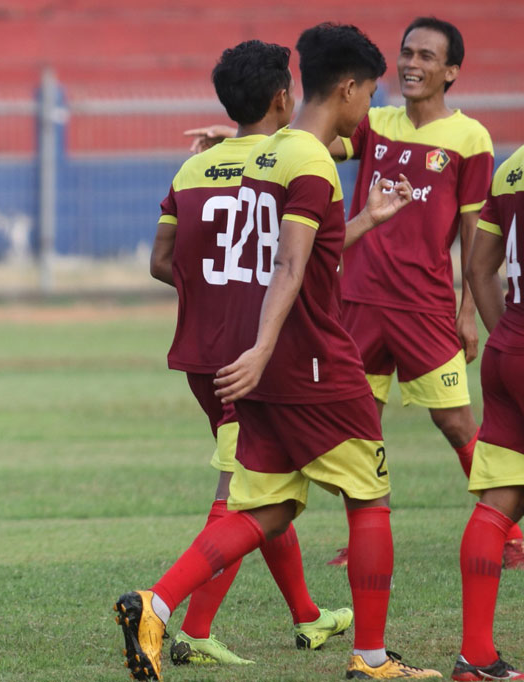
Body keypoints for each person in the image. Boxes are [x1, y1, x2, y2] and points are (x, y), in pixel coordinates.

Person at [115, 23, 440, 681]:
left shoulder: (237, 160)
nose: (368, 110)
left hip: (235, 358)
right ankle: (373, 659)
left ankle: (160, 603)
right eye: (368, 93)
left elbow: (216, 257)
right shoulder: (305, 159)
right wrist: (264, 345)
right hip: (307, 356)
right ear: (339, 88)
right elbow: (288, 266)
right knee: (369, 499)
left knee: (264, 506)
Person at [148, 39, 351, 667]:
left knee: (266, 482)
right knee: (243, 493)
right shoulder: (289, 162)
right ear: (283, 97)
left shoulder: (191, 169)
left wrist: (209, 285)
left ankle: (309, 616)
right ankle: (192, 626)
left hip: (200, 355)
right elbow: (295, 256)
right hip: (258, 355)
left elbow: (161, 261)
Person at [328, 16, 523, 568]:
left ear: (451, 71)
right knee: (359, 421)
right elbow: (314, 140)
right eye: (406, 53)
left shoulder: (470, 137)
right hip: (359, 303)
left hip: (425, 308)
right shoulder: (375, 122)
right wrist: (247, 139)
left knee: (457, 420)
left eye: (426, 56)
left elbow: (473, 235)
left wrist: (467, 311)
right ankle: (362, 535)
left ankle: (506, 533)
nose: (411, 64)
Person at [452, 146, 524, 681]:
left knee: (499, 506)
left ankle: (475, 657)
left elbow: (479, 267)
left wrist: (507, 340)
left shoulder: (512, 165)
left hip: (507, 352)